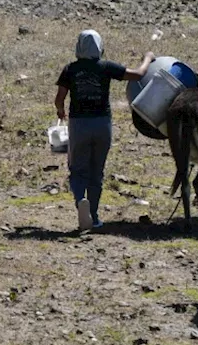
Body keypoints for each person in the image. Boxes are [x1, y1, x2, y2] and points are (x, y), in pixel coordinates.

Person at [54, 32, 155, 231]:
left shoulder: (70, 69)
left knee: (77, 168)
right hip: (102, 125)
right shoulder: (106, 67)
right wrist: (148, 58)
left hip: (79, 125)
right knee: (96, 171)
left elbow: (59, 98)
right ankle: (94, 215)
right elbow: (138, 74)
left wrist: (60, 111)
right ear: (99, 47)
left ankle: (80, 200)